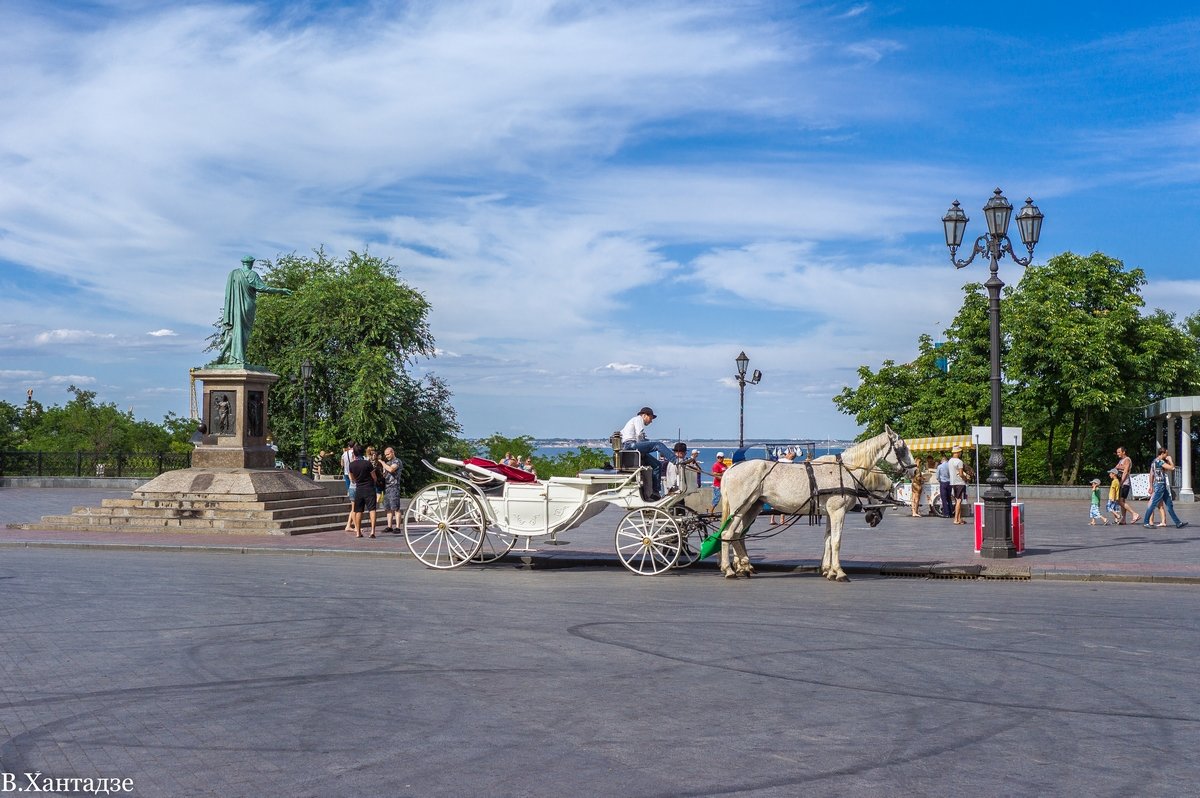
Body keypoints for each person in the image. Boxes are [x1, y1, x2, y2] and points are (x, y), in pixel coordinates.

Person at [213, 256, 292, 366]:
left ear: (243, 263)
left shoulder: (234, 274)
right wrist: (281, 290)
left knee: (233, 330)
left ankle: (225, 354)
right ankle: (240, 358)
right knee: (244, 333)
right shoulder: (252, 274)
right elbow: (264, 288)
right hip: (247, 307)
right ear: (252, 263)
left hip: (235, 307)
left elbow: (228, 294)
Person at [619, 406, 676, 499]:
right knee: (658, 445)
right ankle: (675, 460)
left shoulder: (630, 423)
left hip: (630, 448)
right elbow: (640, 436)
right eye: (650, 418)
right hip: (631, 446)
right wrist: (648, 444)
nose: (651, 421)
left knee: (657, 465)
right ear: (644, 415)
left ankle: (655, 492)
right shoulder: (638, 419)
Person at [1143, 447, 1189, 530]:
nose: (1167, 455)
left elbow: (1151, 474)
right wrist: (1170, 460)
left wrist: (1151, 485)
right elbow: (1172, 468)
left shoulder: (1154, 461)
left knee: (1169, 504)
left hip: (1160, 485)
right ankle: (1146, 522)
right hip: (1160, 485)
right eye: (1166, 453)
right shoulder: (1160, 461)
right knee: (1153, 503)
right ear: (1162, 453)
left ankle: (1178, 523)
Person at [347, 444, 378, 538]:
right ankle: (372, 531)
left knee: (358, 510)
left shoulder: (351, 465)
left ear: (354, 454)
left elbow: (352, 479)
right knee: (372, 509)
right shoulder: (367, 463)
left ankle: (358, 532)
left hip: (359, 488)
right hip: (369, 488)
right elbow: (374, 477)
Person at [379, 446, 404, 533]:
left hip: (394, 487)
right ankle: (389, 526)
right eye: (385, 455)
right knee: (388, 508)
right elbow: (384, 474)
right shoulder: (387, 462)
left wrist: (382, 463)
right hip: (386, 487)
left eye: (388, 454)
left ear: (392, 452)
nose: (387, 456)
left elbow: (391, 469)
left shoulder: (397, 461)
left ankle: (397, 527)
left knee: (396, 508)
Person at [1114, 446, 1141, 525]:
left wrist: (1121, 482)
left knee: (1119, 501)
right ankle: (1123, 519)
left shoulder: (1127, 460)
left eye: (1119, 452)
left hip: (1124, 483)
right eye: (1117, 452)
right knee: (1122, 501)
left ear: (1123, 452)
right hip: (1121, 482)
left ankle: (1134, 514)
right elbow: (1115, 468)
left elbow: (1125, 472)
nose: (1117, 454)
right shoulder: (1121, 460)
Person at [771, 449, 797, 523]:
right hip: (785, 484)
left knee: (774, 503)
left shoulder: (780, 461)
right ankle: (782, 520)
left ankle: (772, 519)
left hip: (776, 483)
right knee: (783, 503)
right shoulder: (791, 463)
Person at [948, 445, 967, 525]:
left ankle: (959, 519)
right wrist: (966, 478)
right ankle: (956, 519)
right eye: (960, 452)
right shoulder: (959, 462)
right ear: (957, 452)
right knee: (959, 500)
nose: (960, 453)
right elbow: (961, 473)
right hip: (959, 482)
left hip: (952, 482)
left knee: (957, 500)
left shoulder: (950, 461)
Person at [341, 442, 357, 532]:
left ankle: (350, 525)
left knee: (353, 503)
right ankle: (355, 526)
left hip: (346, 473)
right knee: (354, 506)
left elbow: (342, 464)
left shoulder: (344, 453)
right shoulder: (354, 453)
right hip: (353, 475)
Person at [936, 455, 952, 519]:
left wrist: (939, 480)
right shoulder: (950, 466)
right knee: (949, 498)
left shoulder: (939, 466)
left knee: (944, 499)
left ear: (942, 460)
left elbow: (937, 476)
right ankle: (951, 513)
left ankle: (946, 513)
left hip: (943, 483)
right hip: (949, 483)